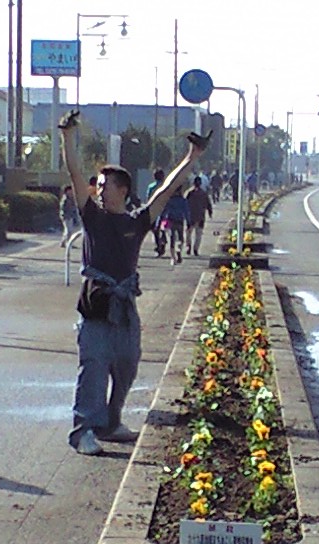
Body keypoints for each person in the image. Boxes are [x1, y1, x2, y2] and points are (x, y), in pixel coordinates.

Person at [58, 109, 208, 455]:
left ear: (123, 190)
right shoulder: (92, 216)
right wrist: (67, 136)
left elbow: (167, 190)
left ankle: (111, 423)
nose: (99, 189)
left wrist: (192, 157)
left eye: (105, 184)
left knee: (127, 365)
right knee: (94, 368)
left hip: (125, 309)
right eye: (98, 185)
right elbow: (75, 173)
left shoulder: (138, 221)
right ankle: (83, 431)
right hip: (96, 307)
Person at [159, 184, 190, 265]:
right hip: (180, 221)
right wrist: (188, 221)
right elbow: (186, 212)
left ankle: (173, 258)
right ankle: (178, 250)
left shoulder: (169, 200)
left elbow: (164, 211)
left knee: (172, 239)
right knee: (180, 239)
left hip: (170, 220)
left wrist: (161, 219)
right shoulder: (183, 200)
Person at [185, 176, 213, 257]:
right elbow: (208, 204)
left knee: (189, 233)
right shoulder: (203, 193)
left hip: (191, 217)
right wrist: (210, 212)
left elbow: (184, 203)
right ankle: (195, 249)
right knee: (198, 234)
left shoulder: (189, 193)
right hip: (200, 216)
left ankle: (189, 247)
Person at [146, 170, 166, 255]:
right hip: (165, 211)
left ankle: (159, 245)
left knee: (155, 230)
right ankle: (163, 241)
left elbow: (148, 199)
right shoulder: (166, 186)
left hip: (154, 211)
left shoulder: (151, 187)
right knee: (164, 227)